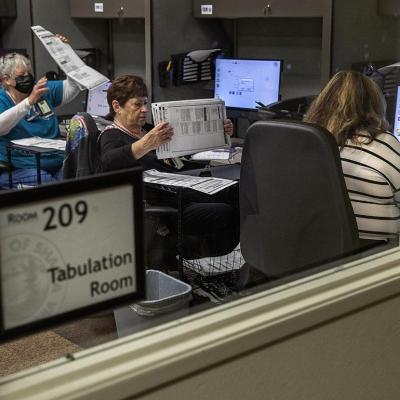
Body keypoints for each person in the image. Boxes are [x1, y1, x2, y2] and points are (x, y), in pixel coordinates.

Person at [99, 74, 238, 264]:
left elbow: (186, 147)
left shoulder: (149, 129)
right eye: (137, 104)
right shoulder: (112, 136)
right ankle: (191, 258)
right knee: (225, 212)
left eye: (146, 103)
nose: (145, 109)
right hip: (165, 209)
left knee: (235, 193)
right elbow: (108, 162)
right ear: (117, 106)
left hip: (184, 189)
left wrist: (220, 130)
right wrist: (144, 145)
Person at [304, 70, 400, 241]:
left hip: (314, 249)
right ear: (374, 106)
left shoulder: (309, 140)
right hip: (371, 256)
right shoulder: (383, 143)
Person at [0, 36, 80, 188]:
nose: (28, 78)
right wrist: (29, 101)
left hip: (56, 160)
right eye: (21, 76)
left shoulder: (41, 89)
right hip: (20, 168)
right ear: (7, 80)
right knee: (48, 183)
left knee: (77, 172)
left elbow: (73, 87)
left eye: (29, 73)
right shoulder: (2, 99)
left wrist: (66, 54)